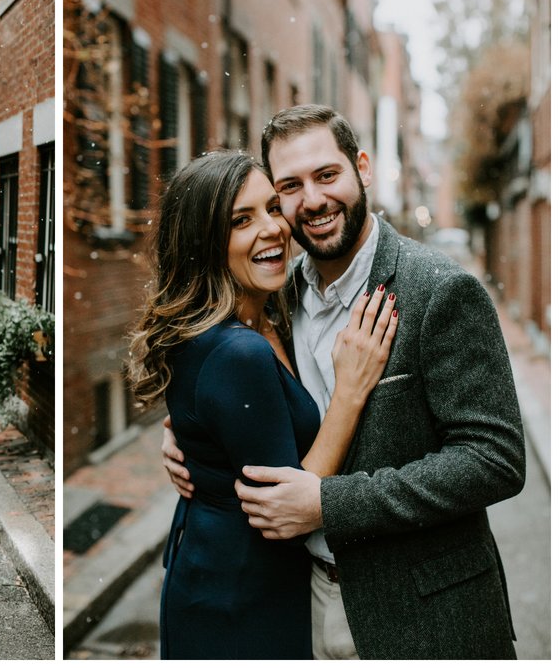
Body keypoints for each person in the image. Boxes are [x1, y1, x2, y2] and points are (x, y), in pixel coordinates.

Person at [162, 105, 526, 659]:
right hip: (300, 604)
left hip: (424, 617)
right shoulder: (275, 293)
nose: (311, 200)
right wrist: (190, 436)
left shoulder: (439, 290)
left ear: (362, 168)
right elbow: (242, 392)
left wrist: (331, 504)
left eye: (326, 175)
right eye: (290, 185)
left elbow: (494, 458)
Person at [127, 151, 397, 659]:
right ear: (204, 243)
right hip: (240, 599)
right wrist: (350, 392)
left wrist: (188, 437)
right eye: (241, 220)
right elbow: (286, 507)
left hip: (222, 571)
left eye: (273, 208)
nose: (273, 228)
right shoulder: (238, 349)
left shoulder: (268, 315)